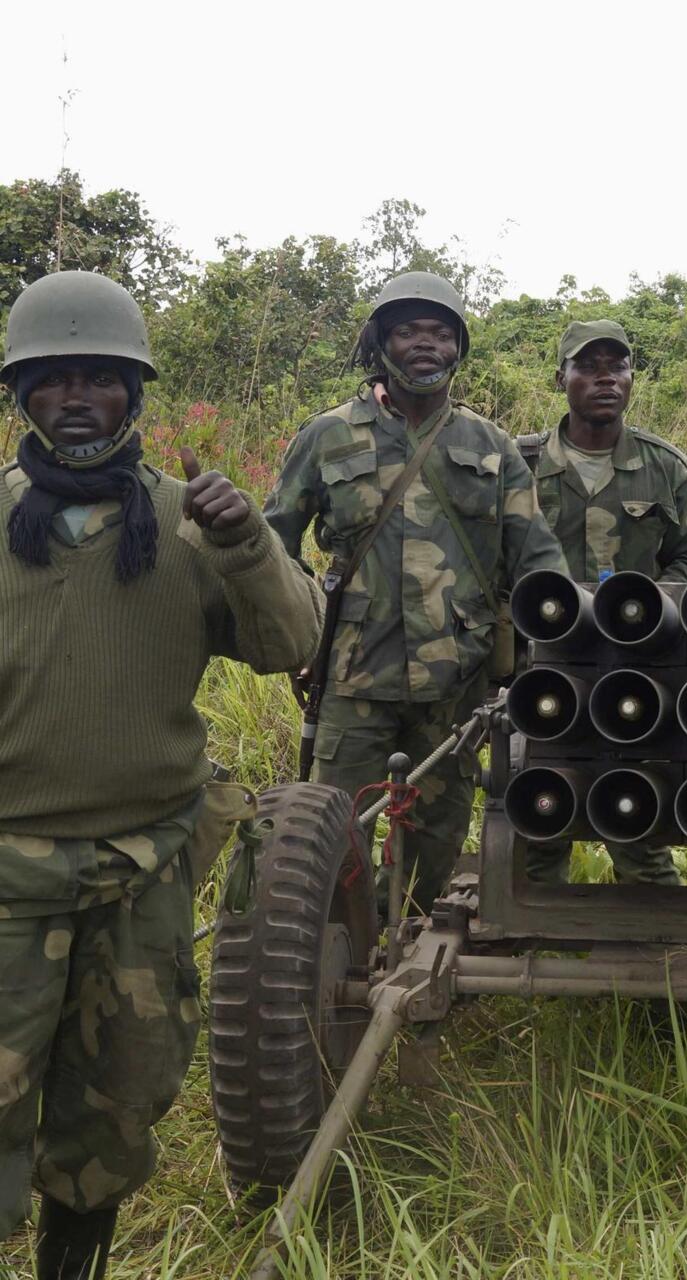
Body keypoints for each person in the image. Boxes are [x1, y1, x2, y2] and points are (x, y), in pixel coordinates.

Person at [0, 271, 321, 1278]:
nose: (79, 399)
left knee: (117, 1105)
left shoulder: (190, 520)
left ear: (135, 395)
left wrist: (246, 541)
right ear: (23, 397)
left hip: (145, 867)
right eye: (54, 381)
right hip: (7, 873)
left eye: (102, 378)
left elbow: (292, 639)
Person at [264, 271, 567, 910]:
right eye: (407, 331)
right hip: (351, 673)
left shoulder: (492, 446)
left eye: (438, 332)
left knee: (437, 841)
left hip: (456, 681)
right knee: (334, 833)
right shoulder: (327, 435)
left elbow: (537, 559)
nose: (423, 344)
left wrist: (560, 654)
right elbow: (273, 547)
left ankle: (410, 952)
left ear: (458, 347)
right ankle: (342, 958)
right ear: (381, 343)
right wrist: (293, 637)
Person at [521, 319, 687, 885]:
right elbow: (493, 565)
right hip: (541, 668)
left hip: (636, 670)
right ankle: (533, 942)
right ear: (562, 377)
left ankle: (665, 951)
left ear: (632, 379)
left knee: (637, 817)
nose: (606, 377)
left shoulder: (663, 466)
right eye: (588, 366)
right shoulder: (521, 467)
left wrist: (642, 611)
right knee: (537, 812)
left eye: (618, 365)